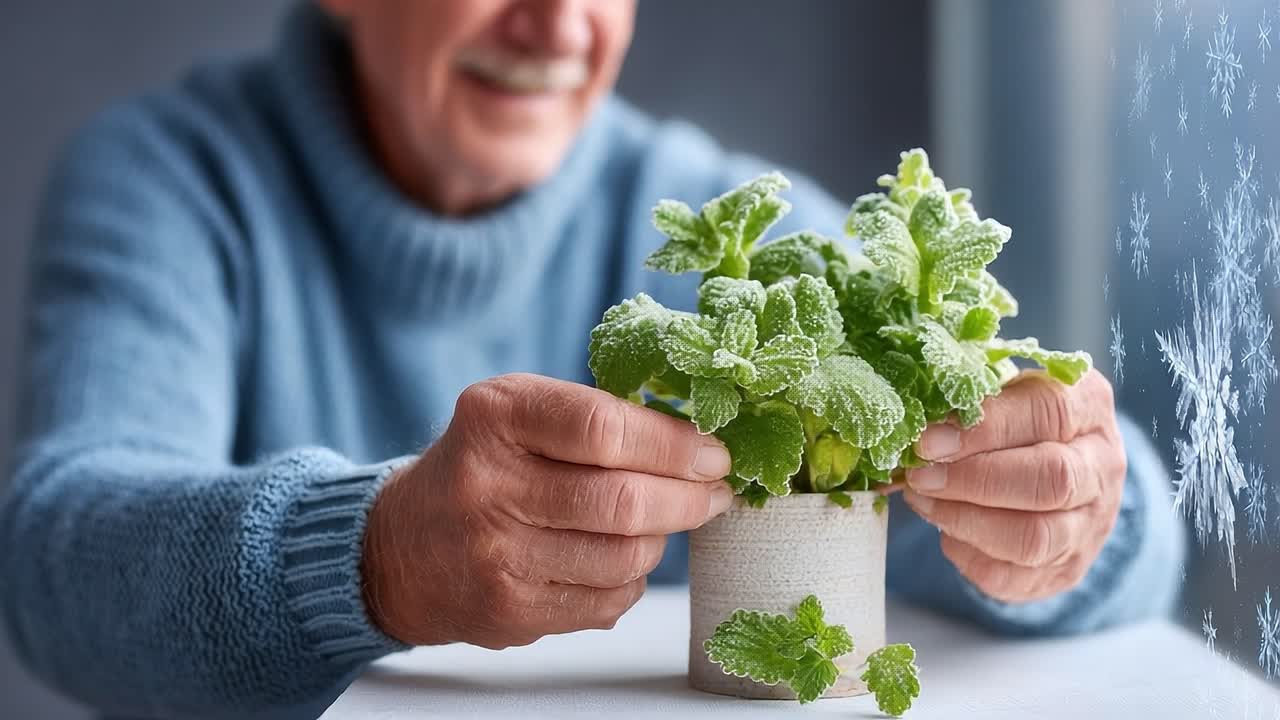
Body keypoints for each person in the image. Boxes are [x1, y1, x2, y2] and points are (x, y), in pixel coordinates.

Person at [1, 1, 1184, 718]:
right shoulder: (171, 181)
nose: (557, 26)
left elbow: (1137, 536)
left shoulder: (710, 223)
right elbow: (56, 564)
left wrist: (1069, 514)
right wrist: (375, 554)